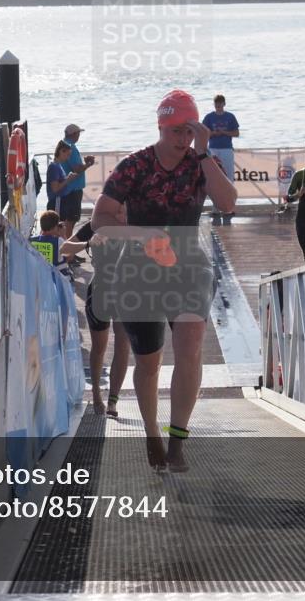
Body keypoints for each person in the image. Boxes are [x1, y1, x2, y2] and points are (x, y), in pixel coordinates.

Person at [91, 90, 237, 471]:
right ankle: (151, 431)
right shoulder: (134, 166)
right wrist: (140, 234)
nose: (182, 138)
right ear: (160, 126)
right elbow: (100, 219)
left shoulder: (201, 163)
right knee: (150, 362)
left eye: (189, 130)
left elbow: (228, 203)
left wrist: (205, 152)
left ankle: (178, 440)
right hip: (139, 267)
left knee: (190, 343)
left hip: (188, 263)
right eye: (175, 130)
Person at [72, 217, 131, 417]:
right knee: (99, 347)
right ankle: (97, 395)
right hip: (100, 291)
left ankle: (113, 400)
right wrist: (87, 243)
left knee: (123, 346)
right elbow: (64, 249)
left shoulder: (134, 221)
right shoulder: (95, 224)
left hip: (126, 292)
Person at [202, 94, 240, 217]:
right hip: (213, 149)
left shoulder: (230, 116)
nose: (218, 107)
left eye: (220, 104)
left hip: (226, 149)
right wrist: (213, 133)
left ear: (224, 104)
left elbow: (236, 133)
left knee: (229, 177)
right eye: (216, 105)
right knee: (214, 178)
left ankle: (230, 206)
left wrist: (224, 132)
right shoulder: (209, 117)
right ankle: (216, 208)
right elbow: (203, 133)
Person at [60, 123, 96, 239]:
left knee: (68, 220)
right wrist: (88, 164)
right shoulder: (70, 147)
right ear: (74, 134)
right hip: (73, 189)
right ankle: (68, 251)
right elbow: (77, 169)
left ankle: (66, 249)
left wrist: (83, 164)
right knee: (71, 220)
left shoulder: (63, 144)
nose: (79, 136)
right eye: (78, 133)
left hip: (67, 188)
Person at [30, 210, 86, 280]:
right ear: (53, 228)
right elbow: (70, 257)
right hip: (59, 279)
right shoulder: (59, 241)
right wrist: (63, 235)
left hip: (41, 278)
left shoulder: (31, 241)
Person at [46, 140, 79, 214]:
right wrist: (68, 179)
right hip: (56, 202)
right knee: (57, 224)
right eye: (68, 155)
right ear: (61, 151)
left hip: (61, 201)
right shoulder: (54, 167)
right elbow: (55, 188)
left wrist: (68, 178)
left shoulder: (58, 165)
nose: (68, 158)